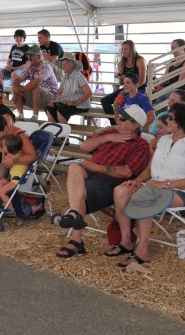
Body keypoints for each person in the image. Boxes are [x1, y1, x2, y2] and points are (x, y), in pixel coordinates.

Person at [111, 103, 185, 267]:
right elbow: (149, 168)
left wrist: (164, 184)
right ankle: (126, 241)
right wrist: (137, 181)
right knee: (120, 191)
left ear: (181, 122)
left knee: (145, 196)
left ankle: (142, 250)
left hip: (183, 191)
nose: (166, 120)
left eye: (170, 118)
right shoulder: (164, 141)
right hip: (155, 186)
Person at [56, 105, 151, 258]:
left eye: (123, 118)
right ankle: (75, 214)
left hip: (109, 182)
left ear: (135, 125)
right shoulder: (111, 132)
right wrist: (107, 137)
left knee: (80, 192)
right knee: (74, 167)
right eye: (119, 116)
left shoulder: (140, 145)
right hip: (90, 174)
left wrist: (95, 166)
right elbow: (84, 146)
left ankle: (76, 240)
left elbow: (126, 172)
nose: (118, 119)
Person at [12, 44, 59, 122]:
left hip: (51, 98)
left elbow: (37, 81)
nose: (29, 57)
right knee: (17, 90)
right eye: (28, 55)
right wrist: (15, 88)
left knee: (36, 89)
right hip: (36, 96)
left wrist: (22, 89)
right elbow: (18, 79)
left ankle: (35, 117)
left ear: (38, 56)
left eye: (31, 55)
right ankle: (20, 116)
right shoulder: (29, 67)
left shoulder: (46, 66)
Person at [101, 40, 147, 117]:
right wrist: (121, 79)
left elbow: (142, 81)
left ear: (131, 49)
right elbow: (122, 83)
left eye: (126, 49)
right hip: (127, 88)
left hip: (139, 88)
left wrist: (126, 90)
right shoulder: (122, 62)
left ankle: (124, 123)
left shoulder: (139, 60)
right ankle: (115, 123)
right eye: (122, 49)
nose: (123, 51)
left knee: (122, 98)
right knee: (104, 101)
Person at [46, 55, 92, 124]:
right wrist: (53, 101)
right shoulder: (65, 77)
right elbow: (59, 92)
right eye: (62, 64)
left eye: (66, 64)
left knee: (62, 110)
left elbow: (88, 93)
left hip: (82, 105)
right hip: (71, 102)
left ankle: (62, 133)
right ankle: (53, 130)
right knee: (50, 108)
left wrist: (76, 102)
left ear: (72, 65)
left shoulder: (78, 76)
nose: (63, 66)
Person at [152, 39, 185, 103]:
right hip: (169, 88)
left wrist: (163, 89)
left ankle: (160, 113)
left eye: (174, 48)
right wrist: (157, 85)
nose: (172, 50)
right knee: (149, 93)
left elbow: (180, 83)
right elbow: (165, 78)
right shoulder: (171, 62)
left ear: (183, 48)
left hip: (180, 90)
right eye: (171, 48)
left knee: (160, 95)